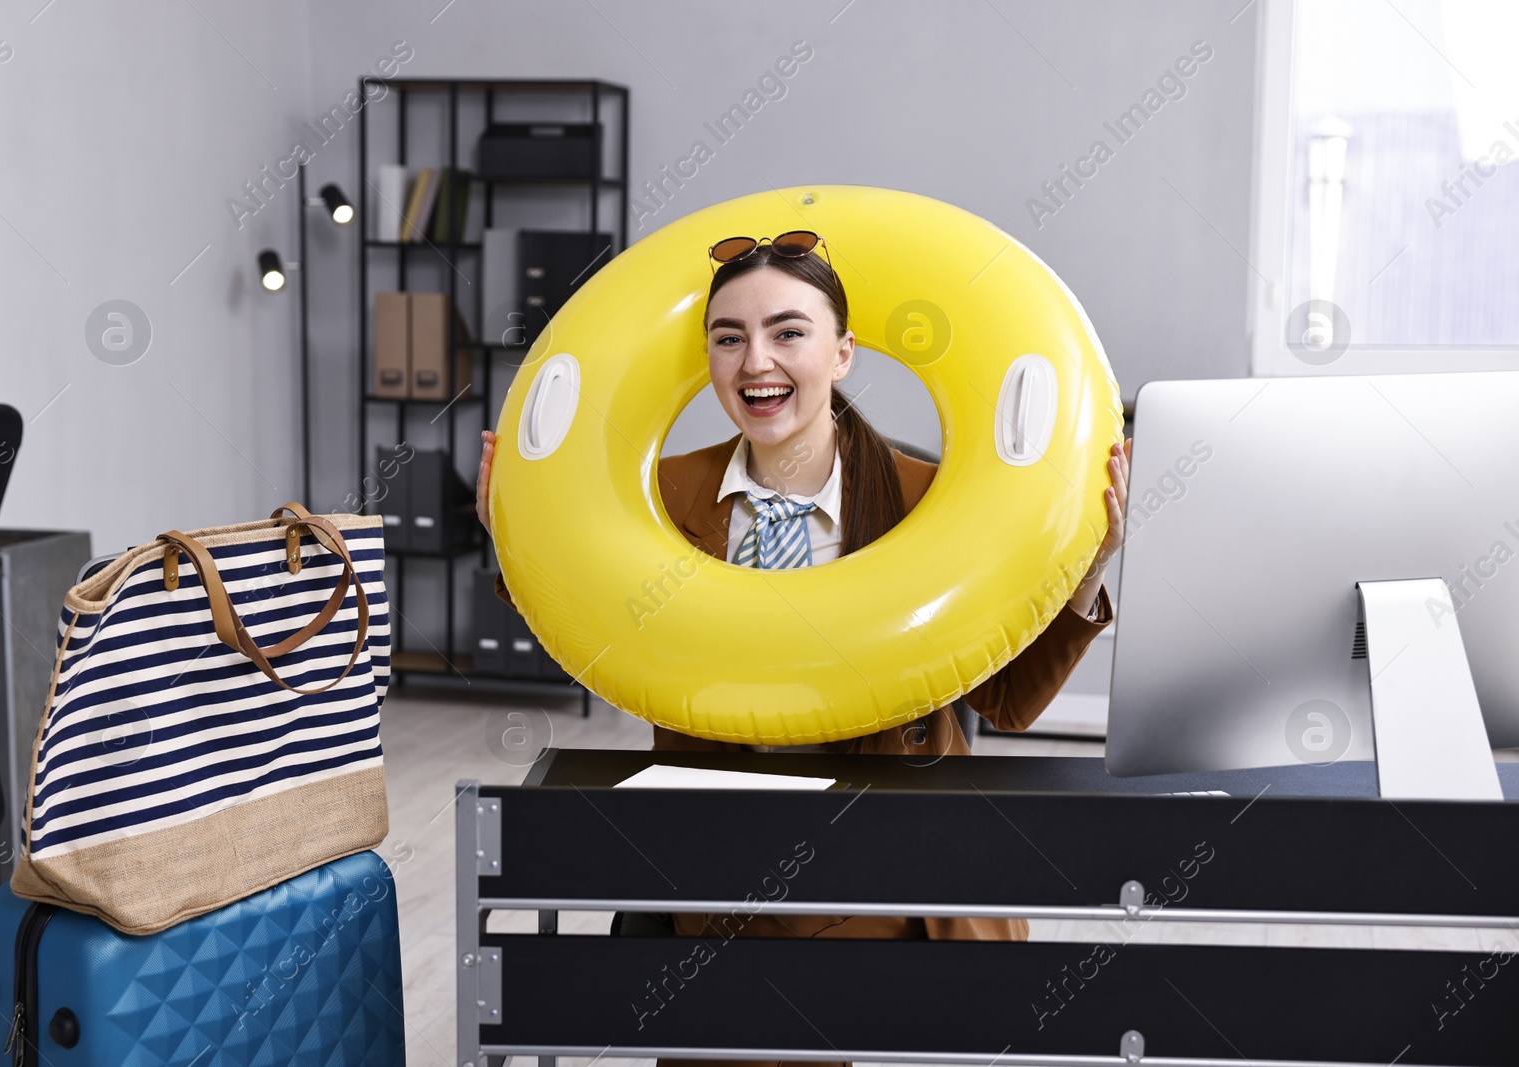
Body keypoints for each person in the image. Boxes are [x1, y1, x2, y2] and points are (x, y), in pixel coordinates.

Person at [476, 232, 1130, 1062]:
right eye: (728, 337)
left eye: (788, 332)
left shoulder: (932, 502)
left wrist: (1087, 566)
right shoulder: (657, 501)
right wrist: (519, 547)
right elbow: (609, 652)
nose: (757, 362)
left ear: (844, 351)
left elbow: (1006, 702)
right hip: (726, 865)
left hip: (896, 877)